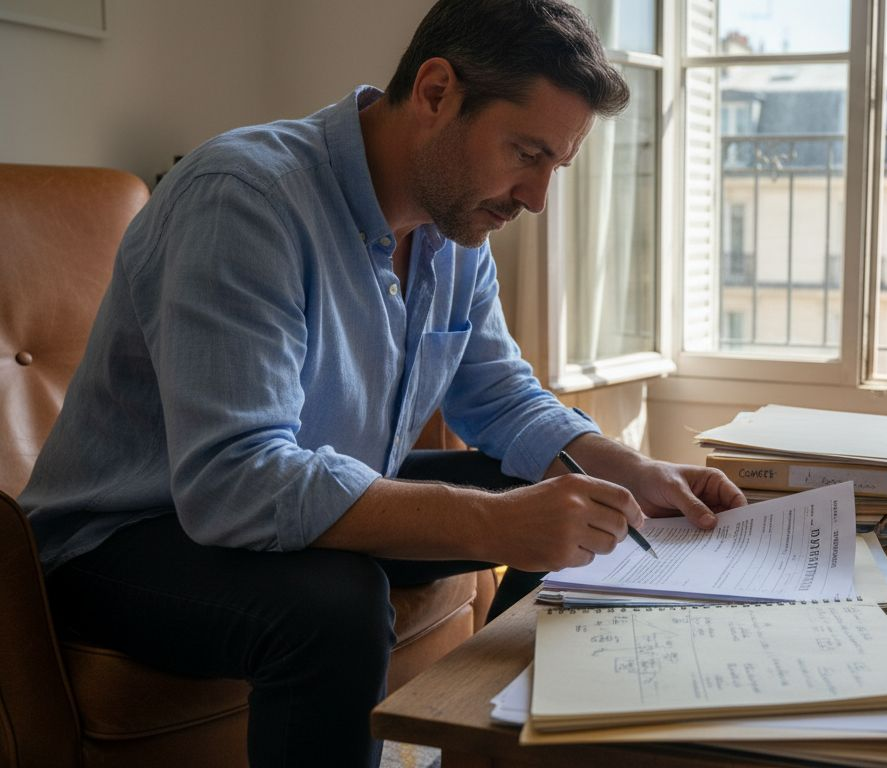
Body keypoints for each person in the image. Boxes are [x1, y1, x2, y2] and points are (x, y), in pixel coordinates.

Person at [18, 1, 746, 766]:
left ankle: (489, 750)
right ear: (435, 93)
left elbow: (499, 393)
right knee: (336, 605)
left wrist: (632, 469)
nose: (535, 199)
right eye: (525, 153)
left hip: (306, 492)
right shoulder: (244, 198)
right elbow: (234, 480)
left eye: (554, 167)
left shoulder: (455, 226)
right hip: (127, 536)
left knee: (568, 482)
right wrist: (495, 527)